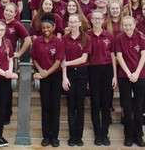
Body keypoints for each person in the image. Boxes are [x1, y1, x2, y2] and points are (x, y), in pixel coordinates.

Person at [32, 14, 64, 147]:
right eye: (44, 27)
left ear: (54, 27)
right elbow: (34, 59)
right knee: (45, 107)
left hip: (55, 76)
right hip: (43, 76)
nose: (46, 29)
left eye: (48, 27)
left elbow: (58, 61)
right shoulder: (37, 41)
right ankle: (46, 136)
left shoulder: (58, 41)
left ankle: (54, 137)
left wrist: (47, 73)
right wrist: (41, 71)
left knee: (55, 107)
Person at [115, 16, 145, 147]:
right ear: (122, 26)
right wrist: (129, 73)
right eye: (125, 25)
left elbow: (144, 55)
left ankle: (138, 136)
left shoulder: (141, 36)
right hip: (124, 76)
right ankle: (128, 135)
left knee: (139, 107)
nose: (128, 27)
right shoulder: (119, 38)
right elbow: (119, 56)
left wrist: (136, 73)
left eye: (130, 25)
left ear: (134, 25)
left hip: (139, 76)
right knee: (127, 108)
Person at [88, 10, 117, 146]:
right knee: (95, 103)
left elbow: (113, 56)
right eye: (95, 18)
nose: (97, 20)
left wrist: (115, 76)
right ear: (91, 20)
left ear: (103, 20)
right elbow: (86, 57)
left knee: (106, 104)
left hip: (107, 70)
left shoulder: (109, 36)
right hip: (92, 70)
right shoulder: (87, 35)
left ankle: (105, 134)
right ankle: (97, 134)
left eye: (100, 18)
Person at [62, 13, 91, 146]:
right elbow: (62, 59)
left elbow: (83, 59)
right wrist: (64, 77)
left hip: (81, 74)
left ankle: (79, 137)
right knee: (71, 106)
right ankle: (71, 137)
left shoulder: (86, 38)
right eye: (71, 21)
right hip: (69, 75)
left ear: (80, 23)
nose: (73, 24)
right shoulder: (64, 38)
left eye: (75, 21)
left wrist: (67, 64)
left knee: (80, 106)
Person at [2, 2, 31, 124]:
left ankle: (6, 115)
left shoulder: (17, 25)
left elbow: (28, 40)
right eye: (6, 10)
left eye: (10, 11)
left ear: (15, 13)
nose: (8, 13)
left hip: (9, 60)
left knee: (7, 88)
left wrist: (18, 53)